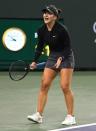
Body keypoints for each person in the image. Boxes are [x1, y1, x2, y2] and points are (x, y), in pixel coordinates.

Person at [27, 5, 76, 125]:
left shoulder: (62, 29)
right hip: (53, 56)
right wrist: (34, 61)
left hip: (66, 56)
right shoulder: (42, 29)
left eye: (48, 13)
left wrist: (61, 58)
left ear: (55, 16)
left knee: (65, 86)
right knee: (44, 84)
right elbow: (39, 47)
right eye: (44, 13)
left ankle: (71, 116)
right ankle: (39, 115)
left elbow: (68, 47)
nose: (45, 15)